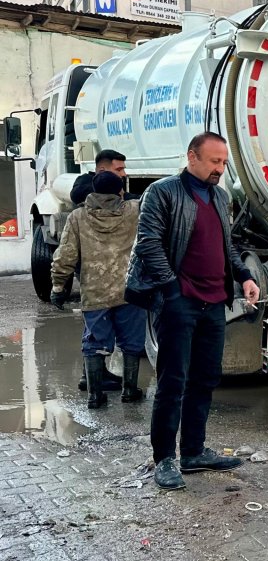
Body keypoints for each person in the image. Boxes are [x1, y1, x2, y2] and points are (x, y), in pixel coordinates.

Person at [125, 132, 260, 491]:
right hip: (179, 302)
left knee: (205, 378)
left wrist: (244, 276)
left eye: (223, 162)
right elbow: (149, 243)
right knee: (173, 382)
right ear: (192, 157)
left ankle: (194, 451)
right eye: (214, 161)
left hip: (214, 302)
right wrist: (171, 290)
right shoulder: (163, 192)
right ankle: (164, 458)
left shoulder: (218, 196)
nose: (220, 168)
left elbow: (226, 244)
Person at [49, 171, 147, 408]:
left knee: (94, 343)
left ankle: (95, 395)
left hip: (95, 293)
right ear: (120, 191)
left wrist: (58, 286)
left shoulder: (78, 217)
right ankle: (129, 391)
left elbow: (65, 255)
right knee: (132, 343)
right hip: (129, 291)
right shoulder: (134, 211)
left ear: (93, 190)